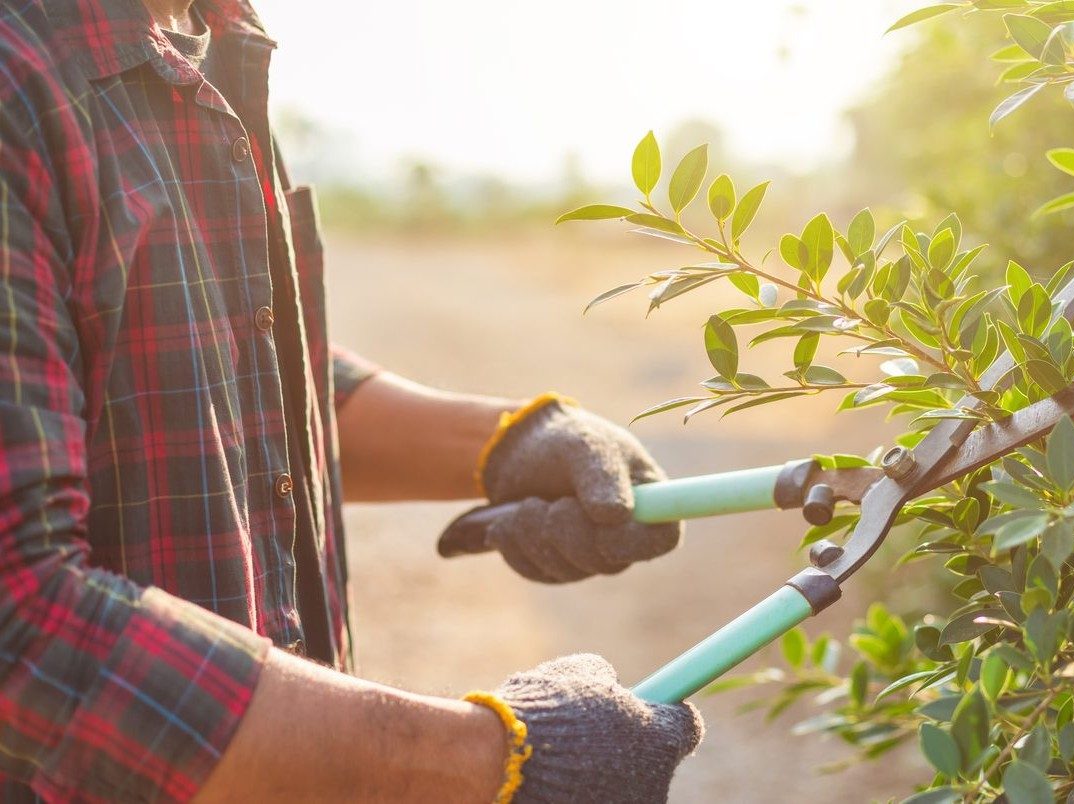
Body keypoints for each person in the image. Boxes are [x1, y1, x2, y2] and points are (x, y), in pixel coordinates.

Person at [0, 0, 702, 800]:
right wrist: (484, 758)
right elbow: (18, 622)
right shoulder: (19, 74)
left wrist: (506, 444)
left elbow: (225, 363)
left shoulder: (208, 38)